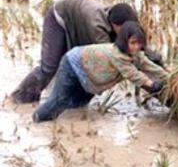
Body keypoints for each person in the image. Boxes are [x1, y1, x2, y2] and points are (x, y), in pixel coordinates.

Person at [11, 0, 163, 104]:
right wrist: (149, 82)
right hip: (59, 19)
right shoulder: (96, 25)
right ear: (116, 25)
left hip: (78, 21)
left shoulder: (120, 20)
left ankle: (65, 98)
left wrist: (156, 60)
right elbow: (116, 59)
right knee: (50, 66)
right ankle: (20, 97)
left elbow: (137, 49)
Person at [32, 21, 167, 122]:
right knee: (59, 100)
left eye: (140, 43)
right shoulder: (117, 54)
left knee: (79, 103)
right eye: (133, 42)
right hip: (72, 65)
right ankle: (37, 120)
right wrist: (152, 85)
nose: (137, 47)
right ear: (124, 41)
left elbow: (147, 65)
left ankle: (70, 122)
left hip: (89, 74)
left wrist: (169, 76)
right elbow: (133, 74)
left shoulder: (135, 53)